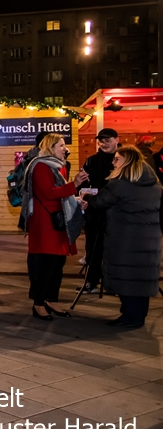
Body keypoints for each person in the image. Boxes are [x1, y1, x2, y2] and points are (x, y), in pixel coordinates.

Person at [83, 145, 162, 328]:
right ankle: (137, 316)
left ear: (127, 161)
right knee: (141, 278)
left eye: (117, 159)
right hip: (149, 239)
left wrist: (86, 198)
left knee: (127, 277)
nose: (113, 162)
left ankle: (130, 316)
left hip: (125, 239)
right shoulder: (155, 183)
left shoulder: (119, 183)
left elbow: (100, 201)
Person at [21, 134, 89, 320]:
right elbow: (48, 193)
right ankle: (39, 304)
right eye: (61, 145)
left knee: (58, 263)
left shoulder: (57, 165)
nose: (65, 149)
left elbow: (61, 195)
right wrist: (75, 185)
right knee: (48, 264)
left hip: (58, 220)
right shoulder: (40, 166)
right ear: (51, 147)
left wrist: (76, 200)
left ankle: (52, 300)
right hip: (46, 223)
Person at [77, 127, 119, 294]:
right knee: (92, 249)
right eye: (101, 141)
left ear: (117, 140)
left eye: (108, 140)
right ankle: (91, 282)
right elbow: (82, 185)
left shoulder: (124, 160)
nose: (104, 143)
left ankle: (114, 284)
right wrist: (82, 192)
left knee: (115, 249)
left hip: (116, 213)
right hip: (94, 212)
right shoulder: (92, 161)